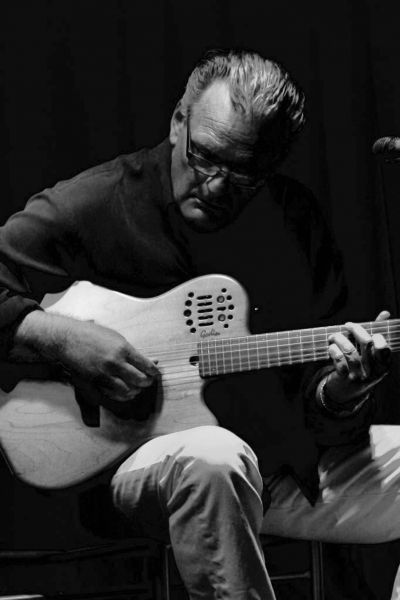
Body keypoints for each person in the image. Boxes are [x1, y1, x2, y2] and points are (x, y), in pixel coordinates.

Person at [0, 48, 397, 599]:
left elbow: (320, 413)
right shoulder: (98, 201)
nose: (214, 186)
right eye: (204, 157)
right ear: (177, 122)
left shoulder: (295, 221)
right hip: (137, 471)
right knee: (215, 456)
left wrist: (341, 394)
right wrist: (61, 337)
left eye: (243, 174)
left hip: (279, 469)